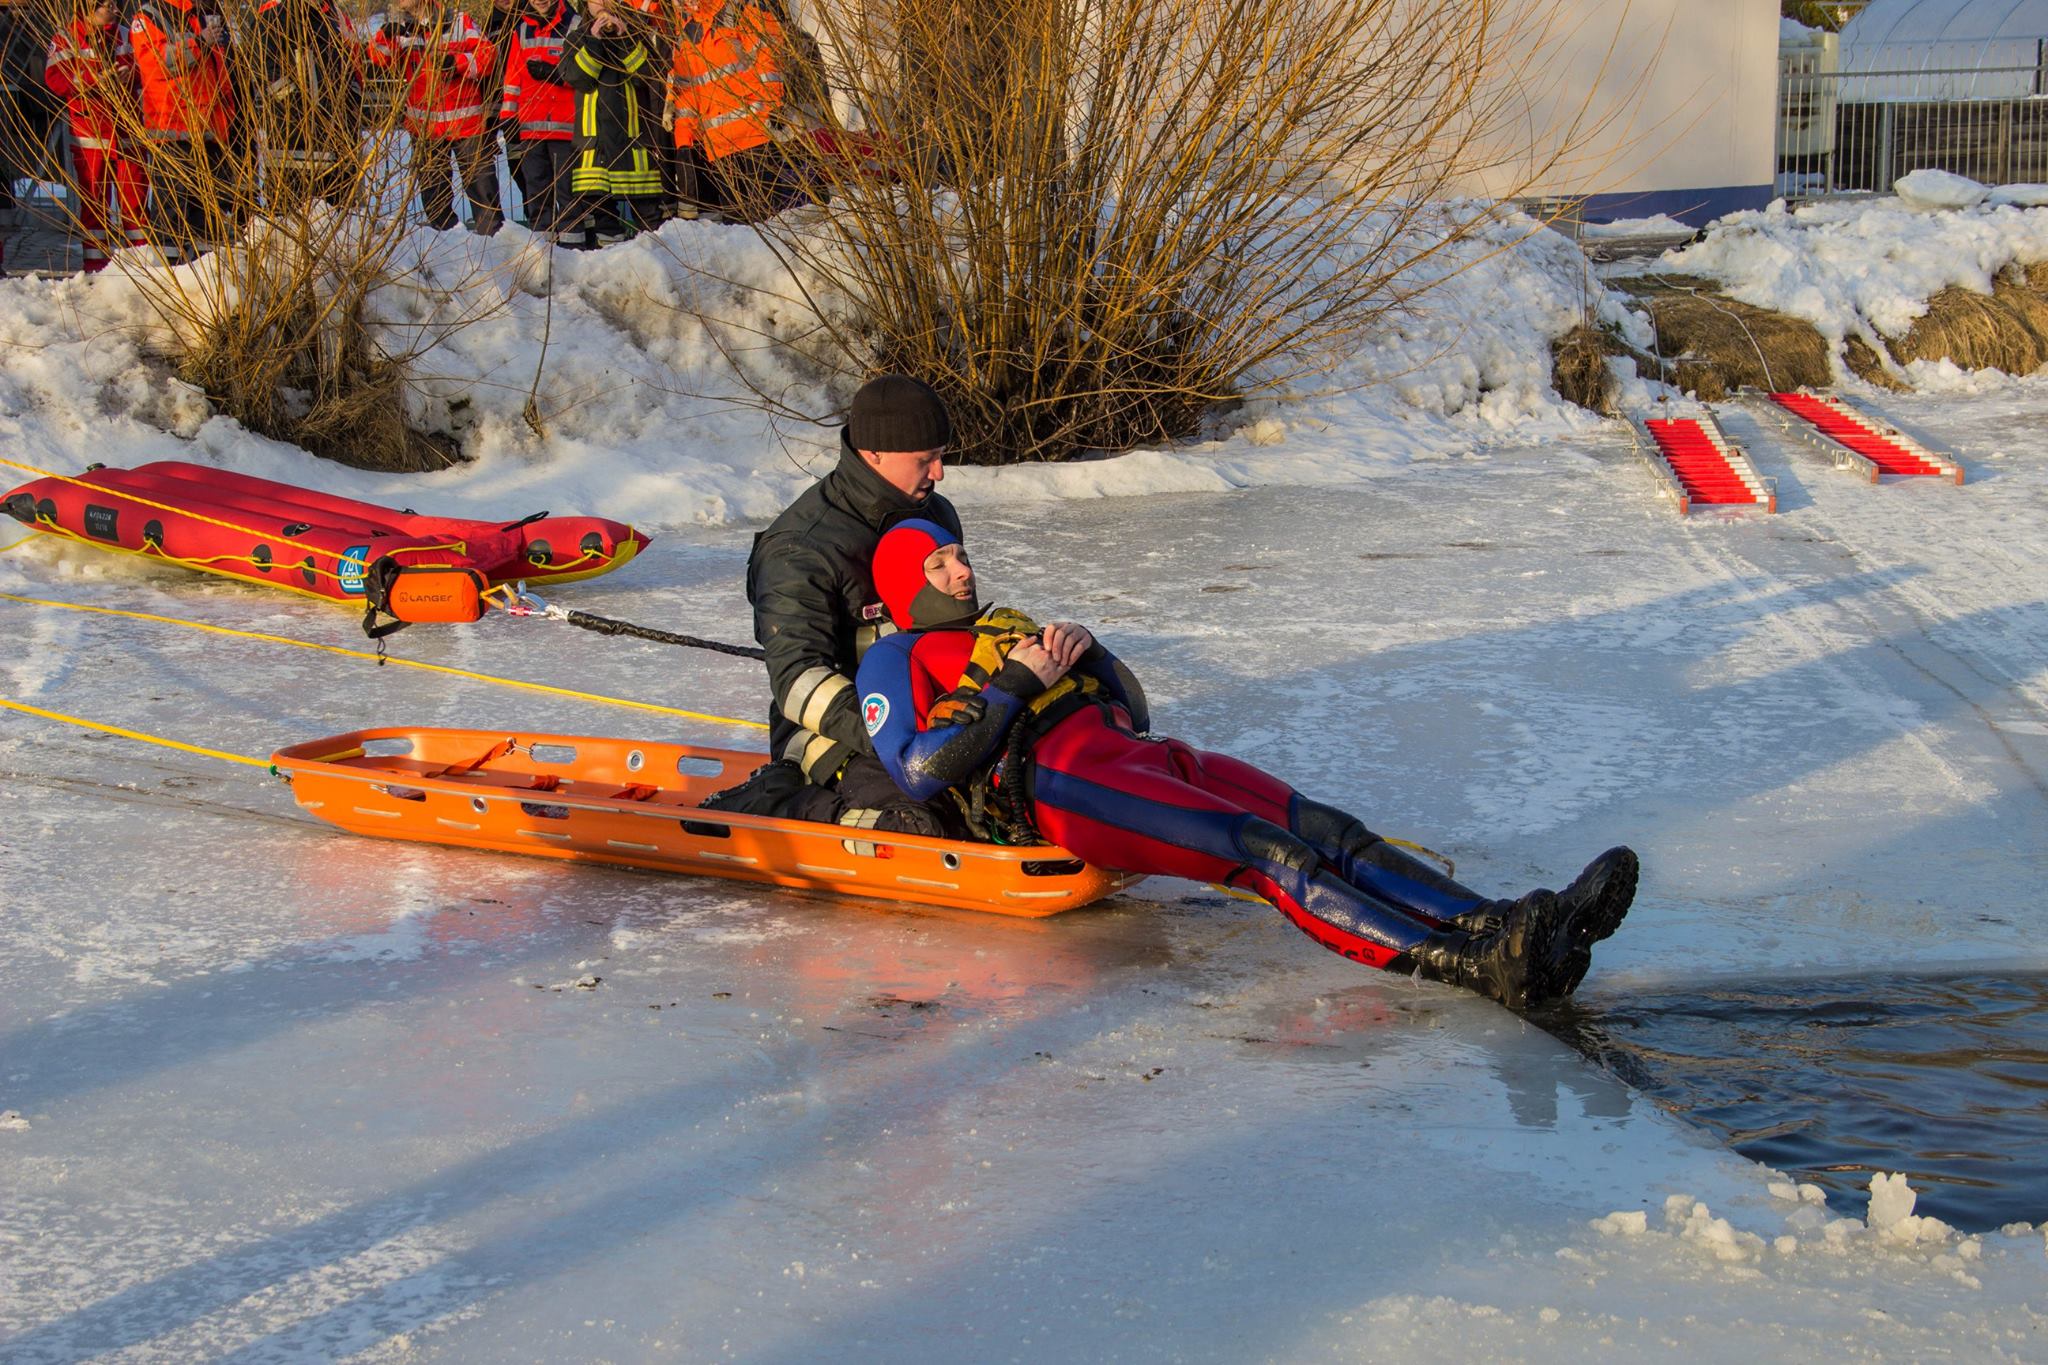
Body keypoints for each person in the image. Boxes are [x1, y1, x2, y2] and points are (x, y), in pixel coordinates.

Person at [854, 519, 1639, 1010]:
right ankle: (1474, 965)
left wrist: (1093, 654)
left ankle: (1504, 919)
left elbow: (1132, 705)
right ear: (904, 584)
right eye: (942, 563)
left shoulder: (1004, 624)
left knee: (1328, 827)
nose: (964, 571)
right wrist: (1020, 680)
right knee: (1265, 852)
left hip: (1132, 752)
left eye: (960, 555)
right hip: (1065, 784)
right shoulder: (894, 658)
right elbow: (920, 771)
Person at [712, 374, 964, 838]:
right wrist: (897, 735)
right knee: (928, 821)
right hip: (831, 733)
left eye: (941, 455)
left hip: (931, 714)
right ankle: (783, 804)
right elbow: (797, 681)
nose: (939, 472)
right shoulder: (802, 548)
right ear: (875, 453)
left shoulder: (934, 514)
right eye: (925, 460)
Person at [368, 0, 498, 233]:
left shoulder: (459, 21)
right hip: (425, 126)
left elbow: (488, 56)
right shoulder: (400, 27)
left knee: (483, 192)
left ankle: (492, 244)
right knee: (434, 194)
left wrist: (456, 63)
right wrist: (385, 35)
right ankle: (445, 242)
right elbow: (379, 60)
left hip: (466, 123)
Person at [43, 0, 150, 271]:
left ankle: (140, 268)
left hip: (128, 133)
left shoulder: (128, 34)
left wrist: (132, 75)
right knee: (94, 208)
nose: (114, 9)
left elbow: (150, 69)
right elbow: (55, 79)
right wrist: (96, 80)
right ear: (89, 7)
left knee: (135, 208)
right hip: (90, 133)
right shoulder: (67, 38)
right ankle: (96, 270)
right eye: (107, 5)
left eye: (117, 3)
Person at [666, 0, 792, 220]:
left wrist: (775, 102)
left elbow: (767, 54)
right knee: (737, 228)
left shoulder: (737, 8)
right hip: (721, 148)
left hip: (756, 136)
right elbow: (686, 90)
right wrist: (684, 141)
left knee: (771, 224)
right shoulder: (685, 29)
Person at [130, 0, 235, 260]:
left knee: (207, 213)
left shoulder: (200, 15)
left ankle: (207, 273)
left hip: (208, 129)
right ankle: (173, 273)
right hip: (172, 129)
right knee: (172, 212)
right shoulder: (149, 17)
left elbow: (220, 72)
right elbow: (155, 63)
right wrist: (198, 43)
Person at [554, 0, 661, 247]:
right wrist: (594, 41)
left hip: (633, 142)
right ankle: (611, 264)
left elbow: (648, 75)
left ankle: (655, 265)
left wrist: (624, 38)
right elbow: (578, 79)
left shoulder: (636, 32)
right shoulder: (578, 37)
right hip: (594, 145)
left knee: (648, 214)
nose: (602, 3)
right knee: (603, 215)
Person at [246, 0, 364, 209]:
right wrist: (301, 107)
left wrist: (353, 100)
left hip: (340, 135)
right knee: (295, 216)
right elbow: (267, 69)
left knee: (342, 217)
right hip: (295, 140)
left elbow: (352, 62)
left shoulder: (334, 15)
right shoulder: (273, 16)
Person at [496, 0, 575, 234]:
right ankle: (542, 251)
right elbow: (512, 79)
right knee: (537, 197)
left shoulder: (574, 24)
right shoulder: (520, 30)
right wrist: (508, 117)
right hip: (530, 129)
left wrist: (555, 74)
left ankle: (574, 254)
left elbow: (585, 74)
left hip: (566, 128)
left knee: (568, 195)